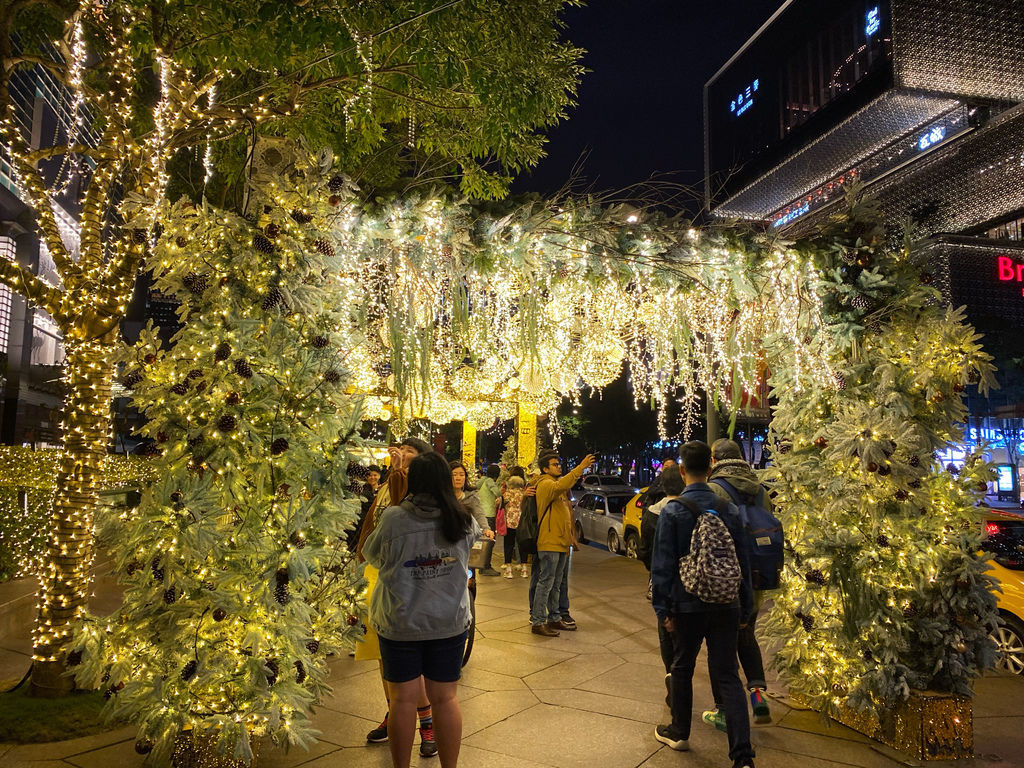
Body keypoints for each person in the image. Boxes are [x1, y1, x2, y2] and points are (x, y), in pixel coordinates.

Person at [363, 452, 481, 768]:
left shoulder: (395, 518)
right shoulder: (463, 518)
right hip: (449, 622)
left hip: (401, 622)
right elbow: (471, 551)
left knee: (402, 701)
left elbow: (371, 555)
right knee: (446, 699)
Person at [651, 440, 755, 768]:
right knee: (727, 674)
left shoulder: (674, 510)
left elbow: (663, 565)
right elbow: (742, 560)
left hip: (687, 603)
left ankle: (679, 731)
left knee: (682, 665)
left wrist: (664, 609)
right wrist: (745, 605)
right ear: (710, 468)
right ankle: (743, 756)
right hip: (726, 603)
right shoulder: (728, 509)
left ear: (682, 470)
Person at [355, 437, 439, 757]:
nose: (402, 456)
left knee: (407, 659)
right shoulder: (389, 484)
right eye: (401, 451)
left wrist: (400, 475)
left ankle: (426, 723)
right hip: (374, 576)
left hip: (406, 581)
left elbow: (402, 518)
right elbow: (372, 525)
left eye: (411, 454)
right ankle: (395, 714)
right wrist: (360, 560)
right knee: (380, 653)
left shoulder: (424, 493)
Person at [704, 438, 773, 728]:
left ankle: (723, 710)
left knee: (721, 645)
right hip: (758, 574)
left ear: (715, 459)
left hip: (727, 576)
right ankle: (758, 696)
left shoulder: (714, 489)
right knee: (746, 633)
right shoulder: (759, 489)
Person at [528, 449, 595, 636]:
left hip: (560, 541)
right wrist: (580, 467)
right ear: (545, 468)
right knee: (546, 582)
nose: (559, 467)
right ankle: (538, 621)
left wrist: (571, 537)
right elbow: (564, 483)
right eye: (555, 465)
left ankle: (554, 618)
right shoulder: (545, 484)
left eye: (559, 464)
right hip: (548, 541)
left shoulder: (556, 485)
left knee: (556, 583)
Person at [637, 464, 685, 703]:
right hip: (688, 585)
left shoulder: (652, 513)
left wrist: (654, 571)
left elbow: (643, 551)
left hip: (661, 583)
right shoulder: (691, 510)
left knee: (666, 632)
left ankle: (671, 677)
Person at [449, 461, 495, 540]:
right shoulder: (442, 496)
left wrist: (486, 529)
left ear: (465, 477)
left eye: (461, 475)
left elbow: (479, 514)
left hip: (465, 538)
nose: (458, 478)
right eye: (454, 475)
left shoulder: (471, 496)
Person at [498, 466, 529, 578]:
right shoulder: (525, 493)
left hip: (509, 522)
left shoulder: (507, 493)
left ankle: (509, 570)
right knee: (522, 545)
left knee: (508, 544)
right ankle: (524, 569)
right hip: (522, 523)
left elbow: (498, 503)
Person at [475, 464, 502, 575]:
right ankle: (486, 566)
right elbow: (497, 492)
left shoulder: (481, 481)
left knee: (483, 541)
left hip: (480, 515)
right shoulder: (490, 481)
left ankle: (481, 565)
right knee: (490, 541)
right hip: (489, 514)